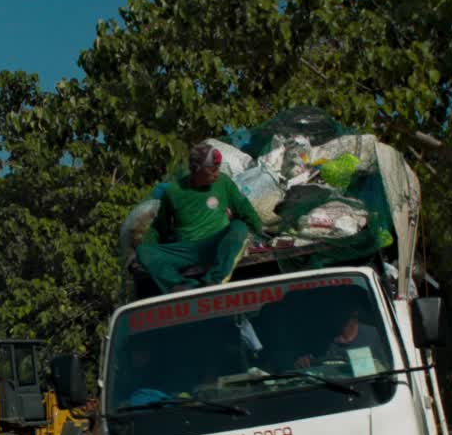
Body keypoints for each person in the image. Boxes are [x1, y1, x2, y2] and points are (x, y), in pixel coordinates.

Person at [136, 141, 265, 293]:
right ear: (196, 170)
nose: (217, 173)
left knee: (239, 226)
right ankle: (181, 286)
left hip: (216, 245)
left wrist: (261, 231)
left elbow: (244, 208)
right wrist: (141, 255)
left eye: (218, 168)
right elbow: (159, 228)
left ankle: (214, 280)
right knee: (143, 251)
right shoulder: (173, 191)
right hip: (185, 251)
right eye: (213, 169)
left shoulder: (223, 182)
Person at [293, 309, 389, 372]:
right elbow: (305, 366)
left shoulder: (374, 335)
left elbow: (387, 370)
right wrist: (302, 364)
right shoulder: (320, 340)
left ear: (354, 314)